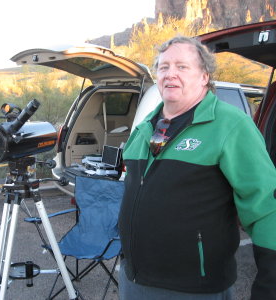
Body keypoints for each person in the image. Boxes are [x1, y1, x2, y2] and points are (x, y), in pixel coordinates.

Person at [118, 35, 276, 300]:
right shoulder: (148, 127)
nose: (170, 74)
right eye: (164, 67)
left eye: (182, 66)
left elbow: (266, 209)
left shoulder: (231, 125)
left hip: (193, 289)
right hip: (134, 280)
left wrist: (270, 287)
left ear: (204, 76)